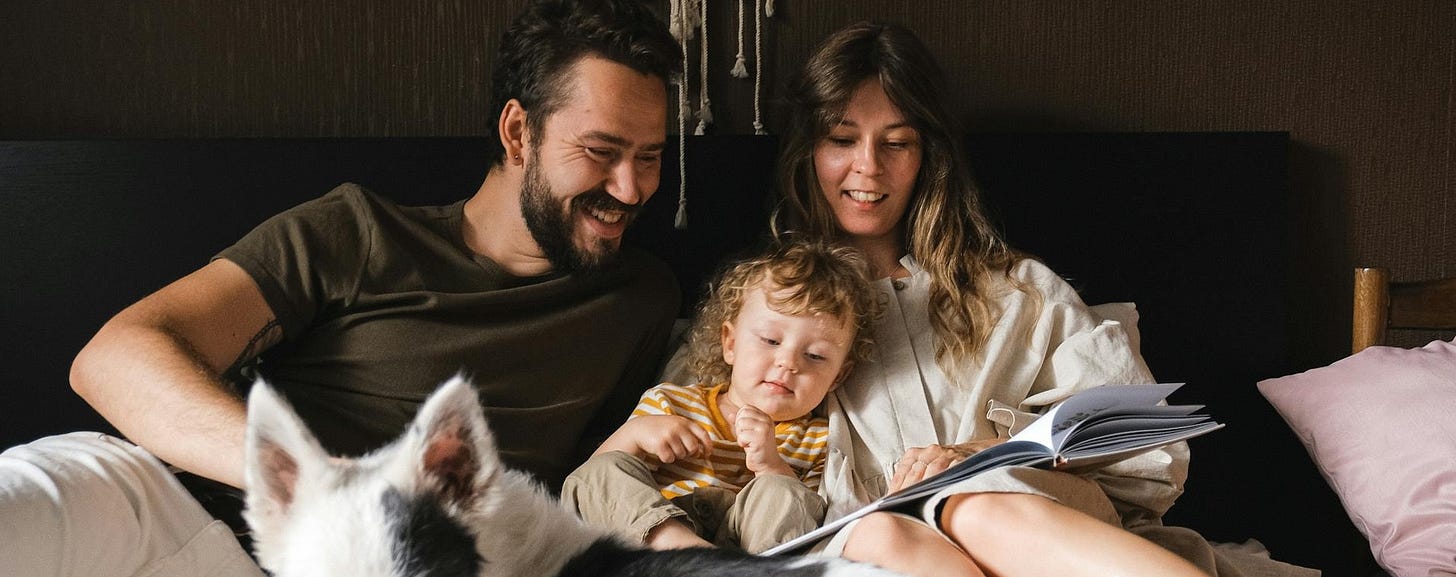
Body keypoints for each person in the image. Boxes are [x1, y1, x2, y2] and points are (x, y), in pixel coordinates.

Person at [0, 1, 682, 576]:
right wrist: (323, 486)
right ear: (517, 133)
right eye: (600, 151)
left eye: (649, 157)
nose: (630, 188)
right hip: (210, 531)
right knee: (56, 487)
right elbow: (115, 357)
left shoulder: (643, 298)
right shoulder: (361, 230)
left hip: (424, 560)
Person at [773, 21, 1317, 577]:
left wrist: (976, 457)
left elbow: (1148, 455)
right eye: (842, 140)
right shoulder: (768, 305)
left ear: (927, 155)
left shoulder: (1017, 290)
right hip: (882, 548)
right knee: (893, 531)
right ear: (808, 149)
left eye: (896, 142)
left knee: (973, 504)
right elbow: (708, 433)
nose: (868, 165)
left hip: (1038, 531)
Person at [561, 239, 881, 554]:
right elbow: (596, 483)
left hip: (746, 548)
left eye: (814, 356)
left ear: (838, 376)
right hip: (654, 538)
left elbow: (807, 523)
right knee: (601, 471)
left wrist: (772, 464)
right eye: (771, 340)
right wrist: (636, 434)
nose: (788, 363)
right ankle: (684, 553)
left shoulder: (817, 440)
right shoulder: (671, 404)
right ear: (730, 343)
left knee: (785, 492)